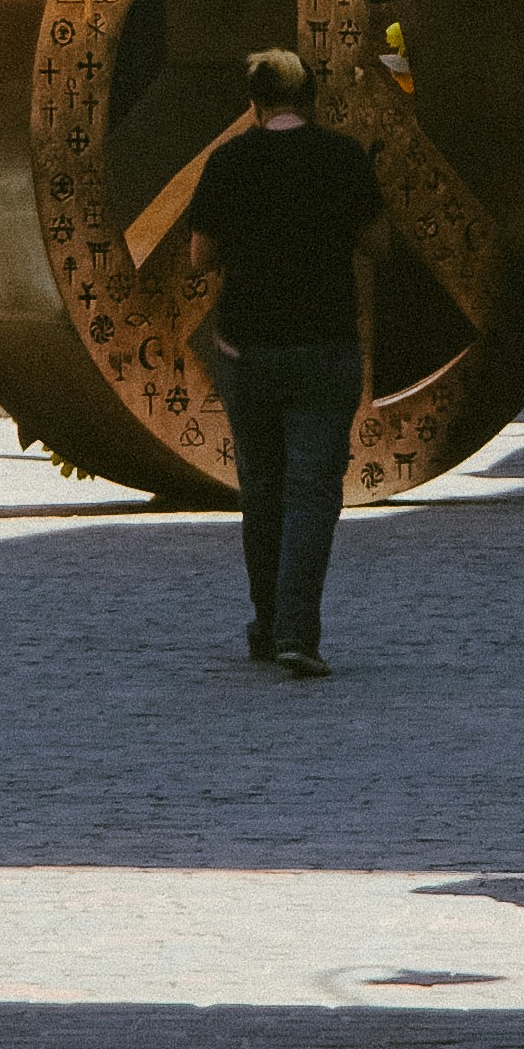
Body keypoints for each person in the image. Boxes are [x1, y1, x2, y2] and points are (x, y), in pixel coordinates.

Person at [186, 47, 387, 678]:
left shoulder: (230, 161)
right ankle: (298, 632)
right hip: (325, 346)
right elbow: (379, 245)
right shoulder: (343, 158)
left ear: (255, 103)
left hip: (249, 348)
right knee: (311, 495)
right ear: (310, 100)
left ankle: (268, 626)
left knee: (263, 493)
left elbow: (200, 257)